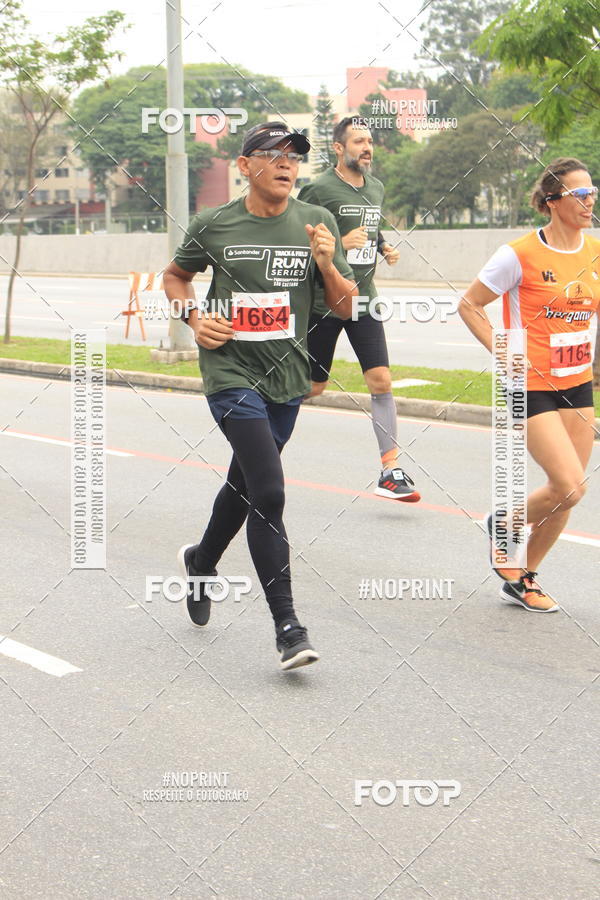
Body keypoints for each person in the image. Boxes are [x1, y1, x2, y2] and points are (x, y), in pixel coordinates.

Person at [163, 122, 356, 669]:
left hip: (287, 379)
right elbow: (175, 277)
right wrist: (195, 317)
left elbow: (344, 307)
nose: (285, 163)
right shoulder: (215, 224)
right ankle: (288, 628)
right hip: (231, 373)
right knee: (269, 491)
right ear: (244, 165)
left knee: (245, 483)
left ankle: (201, 561)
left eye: (294, 156)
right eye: (271, 154)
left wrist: (325, 263)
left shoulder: (316, 223)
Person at [459, 157, 599, 612]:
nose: (590, 200)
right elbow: (470, 305)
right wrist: (504, 353)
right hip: (531, 384)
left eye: (592, 192)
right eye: (581, 194)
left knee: (566, 498)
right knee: (570, 485)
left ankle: (523, 579)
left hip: (578, 385)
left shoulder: (594, 252)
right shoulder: (518, 254)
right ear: (554, 202)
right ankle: (504, 523)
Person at [298, 117, 420, 502]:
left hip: (364, 299)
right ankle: (262, 411)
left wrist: (383, 247)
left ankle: (390, 471)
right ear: (338, 148)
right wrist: (338, 245)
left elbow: (372, 224)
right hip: (325, 303)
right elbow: (294, 240)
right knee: (314, 386)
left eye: (369, 141)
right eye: (358, 141)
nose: (367, 147)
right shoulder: (318, 189)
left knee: (381, 381)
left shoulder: (376, 187)